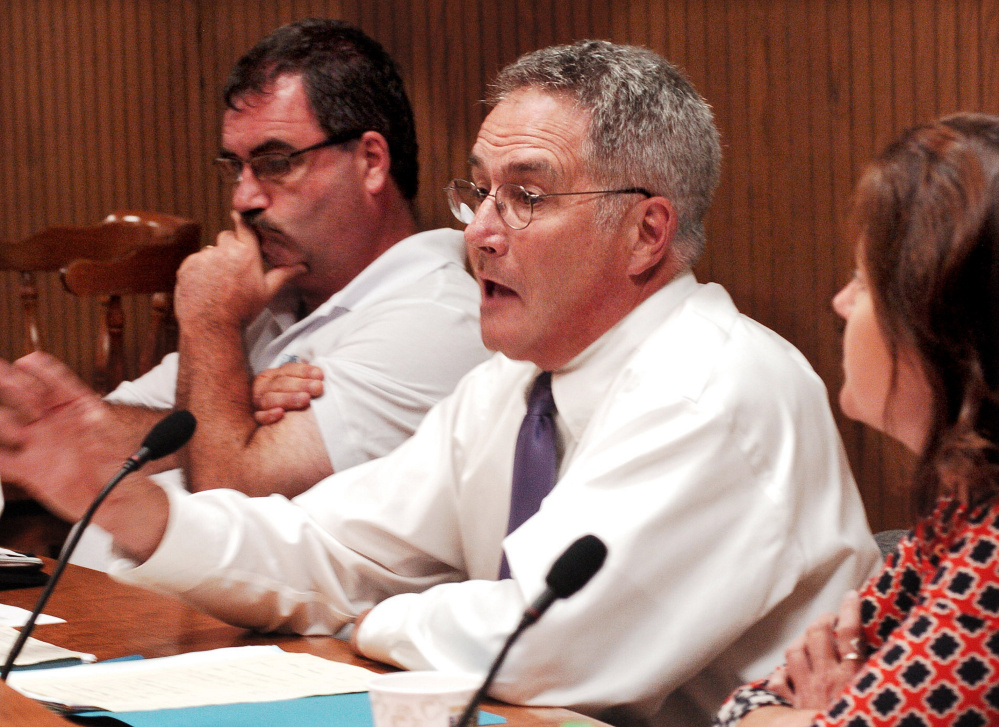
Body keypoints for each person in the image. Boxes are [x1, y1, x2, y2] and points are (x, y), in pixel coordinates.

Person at [0, 40, 878, 726]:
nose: (481, 233)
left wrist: (373, 614)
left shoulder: (712, 387)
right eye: (480, 192)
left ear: (646, 233)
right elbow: (333, 548)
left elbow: (536, 645)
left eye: (525, 197)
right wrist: (130, 509)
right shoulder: (513, 387)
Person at [0, 19, 489, 568]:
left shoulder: (432, 319)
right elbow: (99, 445)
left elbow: (223, 502)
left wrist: (209, 325)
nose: (244, 198)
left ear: (371, 161)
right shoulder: (271, 300)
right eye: (235, 167)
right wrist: (240, 401)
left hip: (253, 641)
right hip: (108, 614)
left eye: (277, 162)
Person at [714, 113, 999, 727]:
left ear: (934, 321)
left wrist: (823, 715)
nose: (841, 305)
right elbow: (747, 705)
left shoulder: (994, 556)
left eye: (862, 281)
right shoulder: (963, 509)